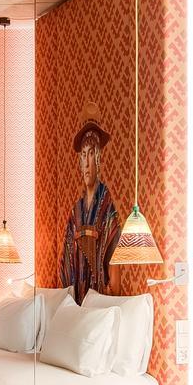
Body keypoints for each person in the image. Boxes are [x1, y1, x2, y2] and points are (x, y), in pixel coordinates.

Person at [60, 116, 121, 301]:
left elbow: (114, 257)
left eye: (91, 154)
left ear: (99, 158)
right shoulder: (76, 212)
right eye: (83, 155)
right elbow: (66, 259)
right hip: (76, 298)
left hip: (100, 296)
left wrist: (111, 293)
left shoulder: (107, 206)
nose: (86, 163)